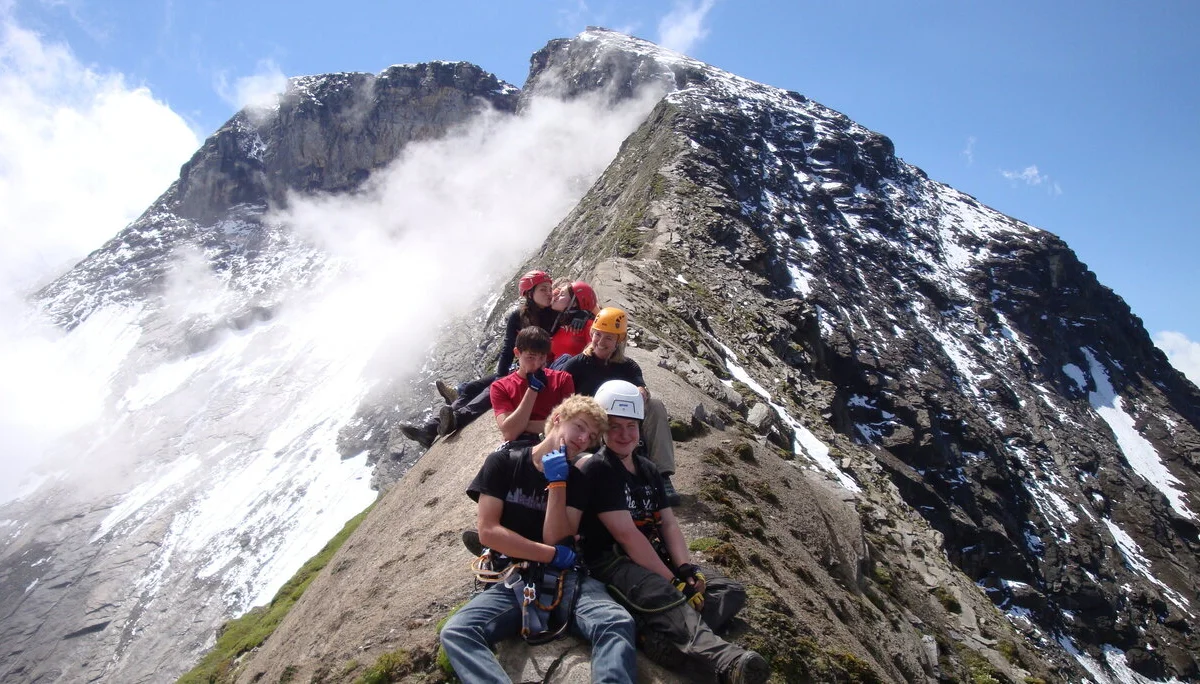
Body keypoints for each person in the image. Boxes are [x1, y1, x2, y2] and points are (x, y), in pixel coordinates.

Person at [579, 380, 769, 684]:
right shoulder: (598, 469)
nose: (625, 434)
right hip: (612, 562)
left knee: (727, 590)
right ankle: (727, 661)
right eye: (615, 427)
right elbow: (627, 535)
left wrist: (685, 569)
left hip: (651, 554)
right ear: (602, 429)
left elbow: (667, 523)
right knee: (666, 592)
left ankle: (659, 637)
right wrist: (673, 581)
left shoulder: (647, 469)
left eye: (631, 426)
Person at [440, 395, 637, 683]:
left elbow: (557, 539)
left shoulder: (577, 481)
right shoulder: (503, 463)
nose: (584, 439)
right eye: (579, 427)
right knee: (458, 631)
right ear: (557, 419)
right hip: (512, 580)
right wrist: (549, 555)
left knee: (615, 621)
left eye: (592, 436)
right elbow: (488, 532)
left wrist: (557, 484)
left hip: (565, 579)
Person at [400, 270, 558, 447]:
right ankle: (429, 430)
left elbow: (574, 306)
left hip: (537, 371)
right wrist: (501, 376)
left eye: (549, 289)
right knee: (471, 388)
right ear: (529, 294)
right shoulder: (518, 316)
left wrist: (579, 315)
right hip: (520, 366)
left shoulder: (555, 312)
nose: (549, 293)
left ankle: (457, 418)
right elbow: (508, 348)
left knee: (491, 390)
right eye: (543, 289)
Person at [554, 308, 677, 477]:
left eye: (609, 337)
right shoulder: (576, 365)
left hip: (622, 425)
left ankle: (662, 473)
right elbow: (560, 402)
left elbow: (641, 388)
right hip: (591, 429)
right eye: (597, 334)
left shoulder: (628, 367)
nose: (600, 341)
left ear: (619, 341)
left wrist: (642, 392)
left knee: (655, 405)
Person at [490, 326, 575, 445]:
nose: (537, 364)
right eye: (530, 357)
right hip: (522, 448)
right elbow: (510, 433)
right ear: (517, 353)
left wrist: (522, 425)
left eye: (542, 357)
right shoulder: (500, 387)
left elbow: (568, 423)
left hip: (558, 443)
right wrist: (533, 389)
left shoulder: (563, 379)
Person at [549, 280, 598, 361]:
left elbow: (595, 354)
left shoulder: (588, 325)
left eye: (562, 294)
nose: (556, 297)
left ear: (574, 303)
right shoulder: (558, 322)